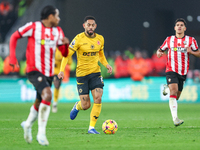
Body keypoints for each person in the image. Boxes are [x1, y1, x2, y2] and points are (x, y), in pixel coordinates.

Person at [9, 5, 69, 146]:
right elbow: (14, 36)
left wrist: (65, 45)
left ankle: (28, 125)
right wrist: (12, 57)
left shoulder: (58, 32)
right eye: (57, 16)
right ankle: (41, 134)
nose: (59, 19)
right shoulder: (33, 27)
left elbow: (64, 53)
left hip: (49, 72)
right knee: (47, 95)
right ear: (50, 17)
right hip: (34, 69)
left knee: (39, 101)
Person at [58, 16, 112, 134]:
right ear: (84, 26)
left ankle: (91, 128)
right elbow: (67, 55)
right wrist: (62, 70)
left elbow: (100, 55)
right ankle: (77, 106)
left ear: (95, 26)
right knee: (86, 105)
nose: (91, 27)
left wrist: (106, 64)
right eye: (88, 25)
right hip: (82, 75)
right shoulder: (78, 39)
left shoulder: (100, 39)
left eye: (93, 25)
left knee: (98, 97)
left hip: (95, 73)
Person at [157, 18, 200, 127]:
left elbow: (198, 53)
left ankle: (167, 88)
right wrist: (158, 53)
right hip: (171, 69)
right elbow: (161, 49)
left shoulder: (191, 40)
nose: (179, 27)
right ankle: (175, 119)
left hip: (183, 71)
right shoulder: (169, 39)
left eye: (181, 25)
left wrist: (191, 52)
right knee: (174, 90)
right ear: (175, 28)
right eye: (177, 25)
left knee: (177, 96)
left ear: (185, 28)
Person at [52, 48, 72, 113]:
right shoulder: (54, 49)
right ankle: (49, 102)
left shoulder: (66, 51)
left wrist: (64, 59)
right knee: (55, 85)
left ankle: (54, 103)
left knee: (57, 87)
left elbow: (70, 62)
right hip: (52, 72)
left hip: (59, 73)